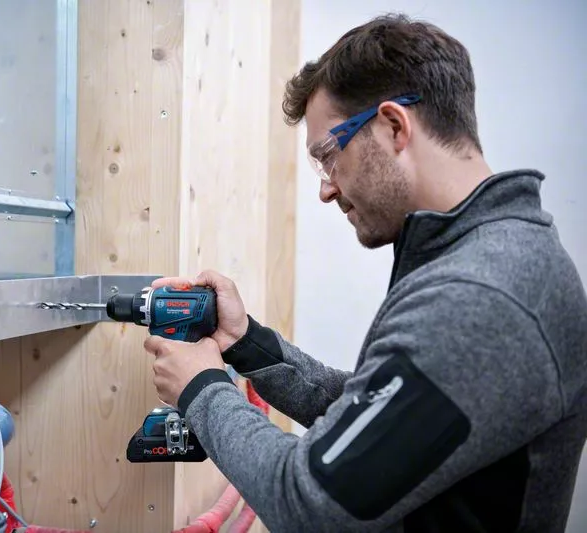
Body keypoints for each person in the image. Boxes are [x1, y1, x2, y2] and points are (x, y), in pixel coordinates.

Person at [141, 12, 587, 533]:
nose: (326, 188)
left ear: (394, 126)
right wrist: (246, 344)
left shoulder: (482, 294)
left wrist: (201, 389)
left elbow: (311, 505)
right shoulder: (496, 257)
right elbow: (379, 424)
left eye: (329, 155)